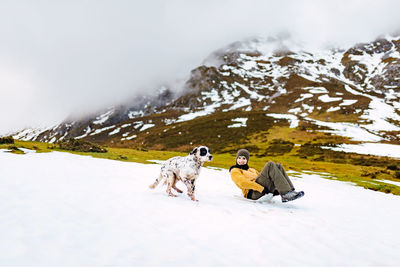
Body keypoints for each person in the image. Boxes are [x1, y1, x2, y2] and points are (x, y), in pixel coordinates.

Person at [229, 149, 304, 202]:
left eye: (244, 158)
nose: (241, 160)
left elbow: (265, 178)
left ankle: (290, 191)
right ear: (236, 159)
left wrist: (275, 190)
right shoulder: (235, 170)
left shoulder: (251, 170)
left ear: (247, 160)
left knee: (278, 166)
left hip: (261, 190)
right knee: (270, 165)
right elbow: (243, 183)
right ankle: (286, 194)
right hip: (252, 194)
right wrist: (261, 189)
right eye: (239, 158)